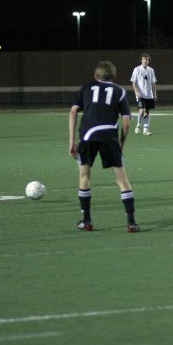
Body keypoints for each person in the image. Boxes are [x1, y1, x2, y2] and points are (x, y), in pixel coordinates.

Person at [69, 60, 141, 233]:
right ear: (113, 76)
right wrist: (121, 144)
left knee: (85, 176)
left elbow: (73, 112)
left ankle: (86, 221)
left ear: (95, 75)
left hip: (87, 135)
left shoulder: (85, 88)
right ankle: (131, 223)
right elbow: (126, 122)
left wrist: (71, 141)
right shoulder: (119, 91)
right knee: (122, 179)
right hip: (109, 136)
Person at [130, 53, 157, 135]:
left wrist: (154, 94)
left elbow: (153, 83)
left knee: (147, 112)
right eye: (144, 59)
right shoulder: (137, 69)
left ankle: (145, 130)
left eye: (148, 59)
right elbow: (133, 82)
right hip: (140, 94)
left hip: (149, 95)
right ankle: (138, 125)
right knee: (141, 111)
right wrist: (136, 92)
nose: (146, 61)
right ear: (141, 60)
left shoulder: (151, 70)